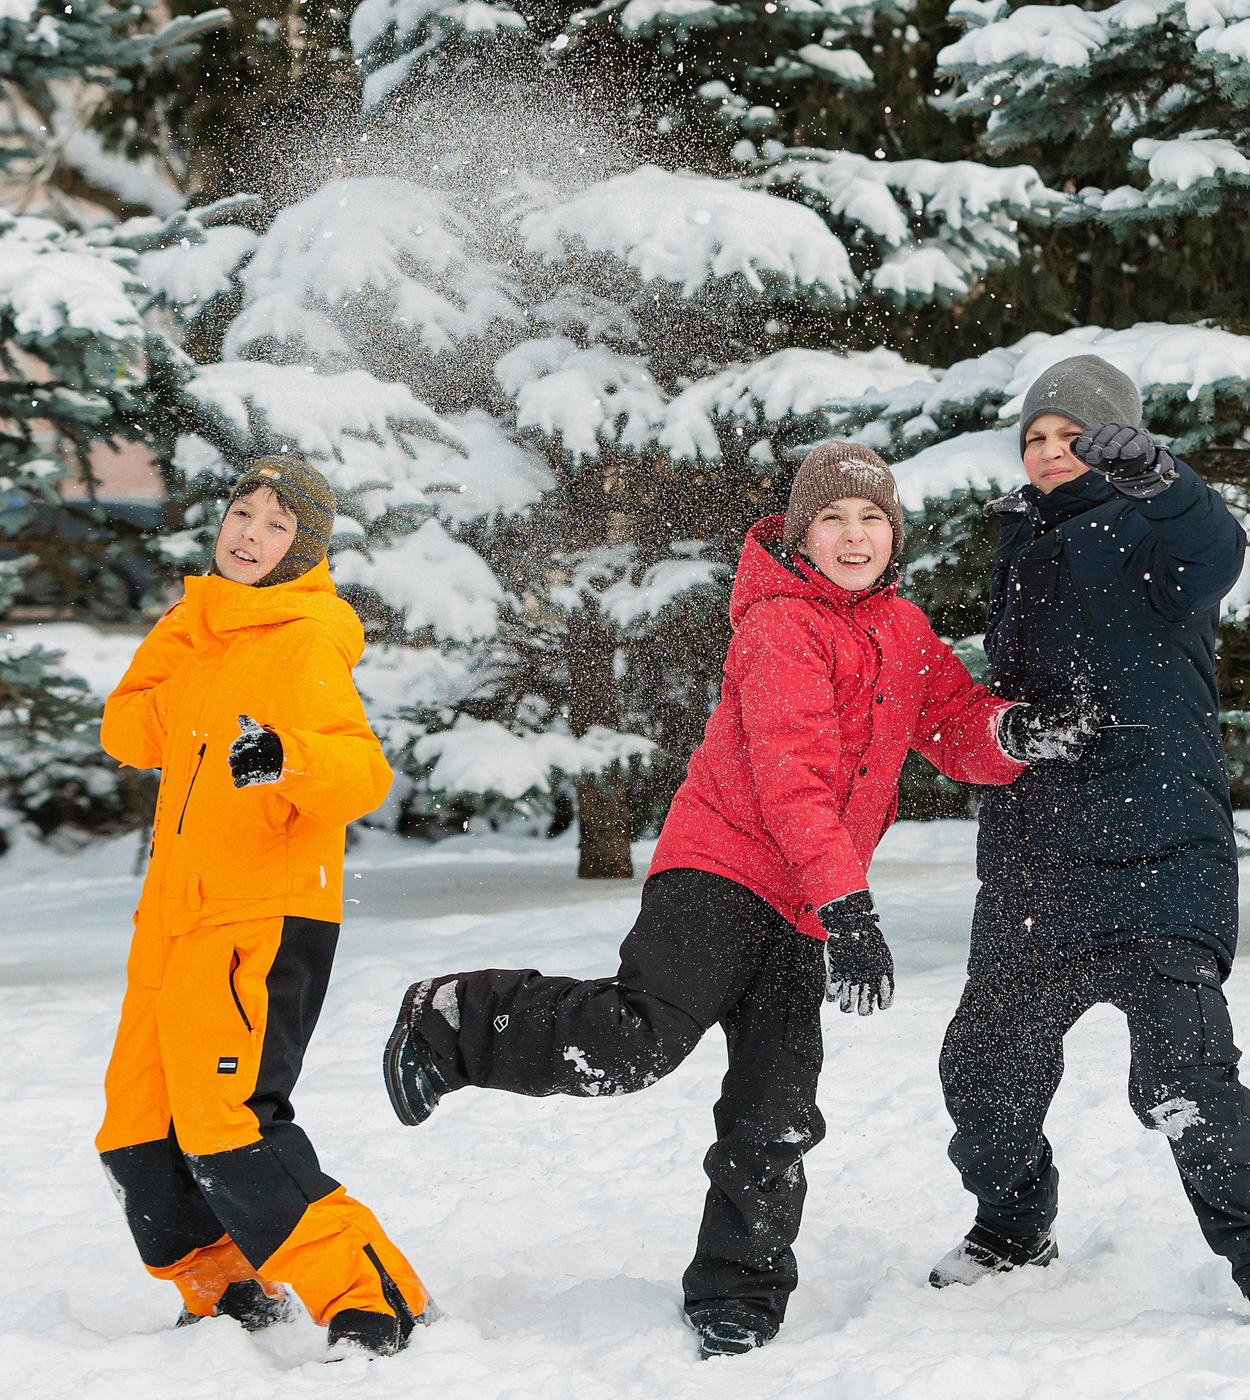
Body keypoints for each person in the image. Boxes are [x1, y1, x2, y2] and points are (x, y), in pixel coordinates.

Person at [378, 442, 1094, 1360]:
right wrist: (853, 906)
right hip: (720, 870)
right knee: (640, 1038)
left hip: (804, 901)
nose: (853, 534)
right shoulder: (779, 625)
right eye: (832, 518)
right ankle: (455, 1018)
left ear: (893, 536)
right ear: (801, 534)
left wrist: (1017, 731)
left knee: (777, 1108)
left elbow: (952, 722)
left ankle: (738, 1288)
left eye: (872, 518)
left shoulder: (902, 629)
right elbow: (789, 777)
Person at [931, 354, 1250, 1329]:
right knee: (981, 1073)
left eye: (1068, 435)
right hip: (1036, 867)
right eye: (1033, 437)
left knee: (1180, 1082)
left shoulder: (1154, 533)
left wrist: (1162, 480)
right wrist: (1017, 734)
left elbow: (1216, 552)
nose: (1045, 452)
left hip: (1159, 860)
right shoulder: (1016, 541)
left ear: (1112, 442)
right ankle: (1013, 1223)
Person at [95, 451, 432, 1357]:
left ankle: (371, 1292)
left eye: (277, 525)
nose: (249, 534)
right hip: (172, 917)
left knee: (228, 1123)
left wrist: (285, 754)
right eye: (243, 513)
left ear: (303, 546)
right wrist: (190, 623)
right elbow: (127, 727)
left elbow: (361, 771)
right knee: (137, 1127)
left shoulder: (305, 635)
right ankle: (225, 1290)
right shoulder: (204, 623)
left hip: (261, 917)